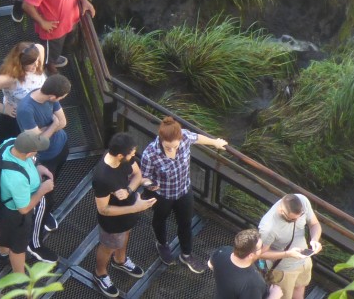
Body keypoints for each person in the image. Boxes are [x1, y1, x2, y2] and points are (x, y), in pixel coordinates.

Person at [140, 115, 229, 272]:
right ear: (161, 140)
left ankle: (186, 254)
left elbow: (198, 138)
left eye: (176, 146)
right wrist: (150, 185)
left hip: (183, 191)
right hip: (163, 195)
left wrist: (215, 142)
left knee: (186, 223)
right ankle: (161, 243)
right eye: (168, 148)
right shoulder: (150, 154)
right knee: (160, 220)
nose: (173, 150)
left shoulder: (185, 136)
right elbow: (144, 177)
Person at [90, 132, 155, 298]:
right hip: (113, 221)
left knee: (125, 233)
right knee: (108, 246)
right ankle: (100, 274)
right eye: (131, 153)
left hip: (128, 210)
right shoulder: (102, 177)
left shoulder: (124, 159)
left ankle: (120, 260)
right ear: (120, 155)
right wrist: (135, 208)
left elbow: (137, 175)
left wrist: (128, 191)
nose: (134, 155)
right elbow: (103, 209)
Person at [15, 72, 71, 252]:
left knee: (54, 185)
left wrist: (46, 131)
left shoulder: (51, 97)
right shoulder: (26, 110)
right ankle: (34, 242)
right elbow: (37, 144)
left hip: (60, 147)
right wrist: (52, 126)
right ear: (53, 96)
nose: (61, 100)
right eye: (61, 98)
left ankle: (45, 214)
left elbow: (63, 121)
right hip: (44, 159)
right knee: (46, 196)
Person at [0, 130, 57, 273]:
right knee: (18, 248)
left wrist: (37, 167)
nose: (36, 154)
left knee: (1, 225)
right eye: (36, 151)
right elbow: (24, 208)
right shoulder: (16, 178)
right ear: (28, 154)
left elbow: (26, 161)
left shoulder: (9, 143)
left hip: (1, 203)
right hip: (15, 214)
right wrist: (43, 190)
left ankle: (2, 253)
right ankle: (19, 277)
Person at [0, 42, 46, 153]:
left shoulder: (36, 60)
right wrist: (2, 108)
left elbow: (40, 46)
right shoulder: (11, 78)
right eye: (31, 63)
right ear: (20, 64)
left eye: (37, 61)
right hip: (16, 117)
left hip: (36, 114)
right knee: (7, 145)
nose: (37, 65)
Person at [257, 193, 323, 299]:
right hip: (283, 270)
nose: (297, 221)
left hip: (304, 261)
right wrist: (288, 254)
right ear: (282, 211)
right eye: (292, 219)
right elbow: (260, 253)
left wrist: (315, 239)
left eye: (300, 216)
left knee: (300, 286)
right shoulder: (268, 227)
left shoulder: (303, 201)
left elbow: (314, 224)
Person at [209, 229, 282, 299]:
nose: (263, 248)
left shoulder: (222, 251)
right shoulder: (253, 284)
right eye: (261, 247)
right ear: (250, 255)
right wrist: (274, 296)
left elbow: (210, 264)